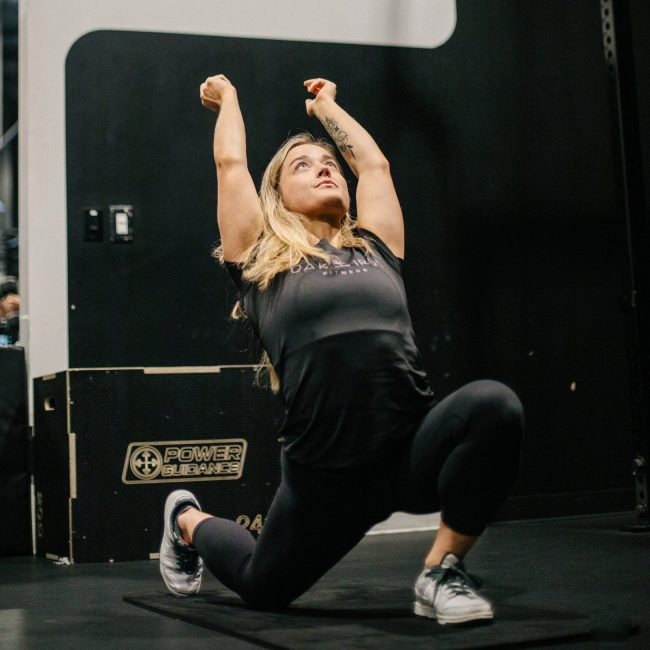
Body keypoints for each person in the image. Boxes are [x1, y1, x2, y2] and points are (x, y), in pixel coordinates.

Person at [159, 74, 524, 625]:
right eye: (301, 166)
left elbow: (374, 166)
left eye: (327, 161)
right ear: (277, 196)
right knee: (263, 588)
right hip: (322, 479)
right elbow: (231, 167)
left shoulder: (378, 246)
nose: (323, 167)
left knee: (494, 406)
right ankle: (186, 518)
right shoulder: (259, 261)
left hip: (407, 454)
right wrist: (229, 101)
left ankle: (442, 570)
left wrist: (328, 109)